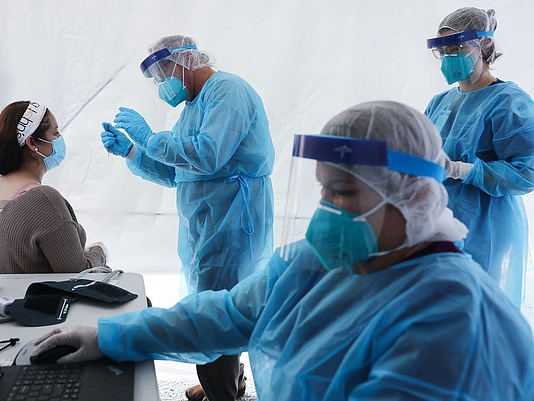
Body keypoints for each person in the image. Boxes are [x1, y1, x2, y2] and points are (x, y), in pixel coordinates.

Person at [34, 101, 534, 400]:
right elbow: (226, 315)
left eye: (343, 193)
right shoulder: (323, 261)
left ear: (413, 196)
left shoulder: (455, 320)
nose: (325, 210)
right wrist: (109, 337)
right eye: (322, 191)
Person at [100, 35, 275, 400]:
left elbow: (209, 154)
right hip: (208, 224)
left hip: (232, 223)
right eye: (158, 77)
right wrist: (134, 151)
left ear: (189, 58)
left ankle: (221, 392)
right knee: (220, 306)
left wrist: (149, 136)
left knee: (213, 313)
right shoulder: (191, 108)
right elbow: (176, 171)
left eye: (165, 72)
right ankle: (230, 379)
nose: (163, 83)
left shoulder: (228, 91)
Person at [425, 7, 534, 307]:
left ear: (484, 44)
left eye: (457, 48)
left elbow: (527, 172)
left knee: (473, 309)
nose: (449, 57)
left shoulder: (509, 103)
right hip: (436, 220)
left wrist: (465, 170)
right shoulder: (440, 102)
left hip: (484, 226)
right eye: (443, 51)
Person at [0, 101, 107, 273]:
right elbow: (79, 274)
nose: (60, 139)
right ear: (32, 143)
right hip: (44, 298)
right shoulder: (43, 199)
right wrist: (99, 251)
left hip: (9, 298)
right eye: (55, 133)